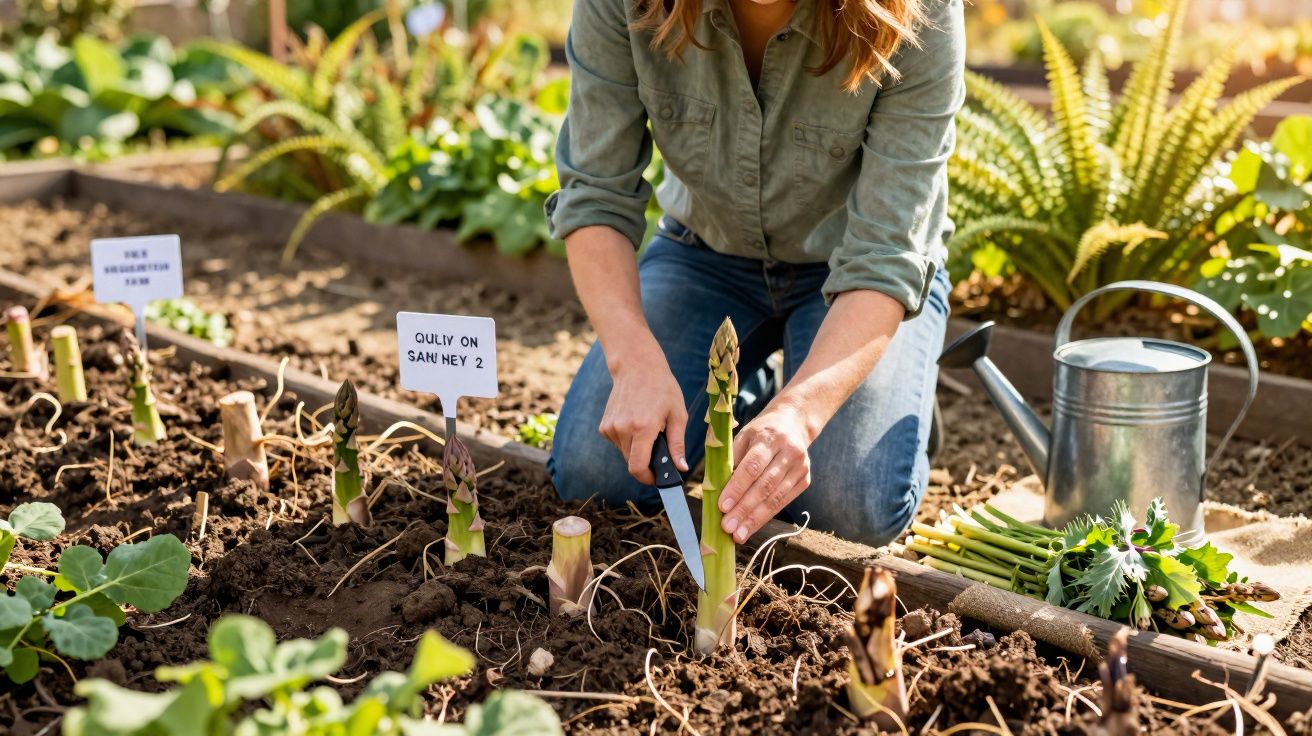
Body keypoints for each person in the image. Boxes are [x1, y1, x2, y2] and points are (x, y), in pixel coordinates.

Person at [544, 0, 964, 547]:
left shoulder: (920, 13)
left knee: (845, 508)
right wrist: (633, 359)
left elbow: (887, 254)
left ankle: (884, 381)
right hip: (705, 256)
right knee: (596, 474)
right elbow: (596, 194)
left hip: (854, 282)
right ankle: (750, 390)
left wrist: (801, 412)